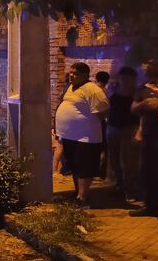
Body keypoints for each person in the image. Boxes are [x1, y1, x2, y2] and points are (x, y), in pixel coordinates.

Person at [55, 62, 110, 208]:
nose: (72, 76)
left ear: (85, 75)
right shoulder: (72, 87)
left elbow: (103, 111)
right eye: (71, 72)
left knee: (84, 168)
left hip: (86, 137)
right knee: (75, 166)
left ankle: (83, 198)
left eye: (76, 73)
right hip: (70, 136)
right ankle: (77, 193)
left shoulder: (92, 89)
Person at [129, 60, 158, 221]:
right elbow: (134, 109)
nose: (145, 66)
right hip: (148, 135)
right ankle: (150, 206)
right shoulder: (142, 87)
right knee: (146, 171)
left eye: (150, 63)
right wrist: (145, 103)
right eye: (143, 63)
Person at [105, 67, 139, 199]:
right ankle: (119, 187)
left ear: (134, 79)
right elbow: (107, 104)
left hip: (130, 129)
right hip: (113, 127)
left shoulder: (136, 93)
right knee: (114, 161)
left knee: (128, 162)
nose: (125, 81)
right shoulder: (113, 91)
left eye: (128, 79)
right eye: (123, 78)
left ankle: (130, 190)